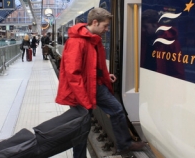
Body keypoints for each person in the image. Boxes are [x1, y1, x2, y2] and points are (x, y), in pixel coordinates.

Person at [55, 8, 145, 157]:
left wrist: (105, 76)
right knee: (82, 126)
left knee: (116, 110)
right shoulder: (77, 42)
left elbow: (92, 66)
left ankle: (124, 144)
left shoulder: (93, 40)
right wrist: (84, 100)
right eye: (105, 26)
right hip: (81, 90)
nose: (107, 29)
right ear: (95, 22)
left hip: (95, 85)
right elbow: (73, 74)